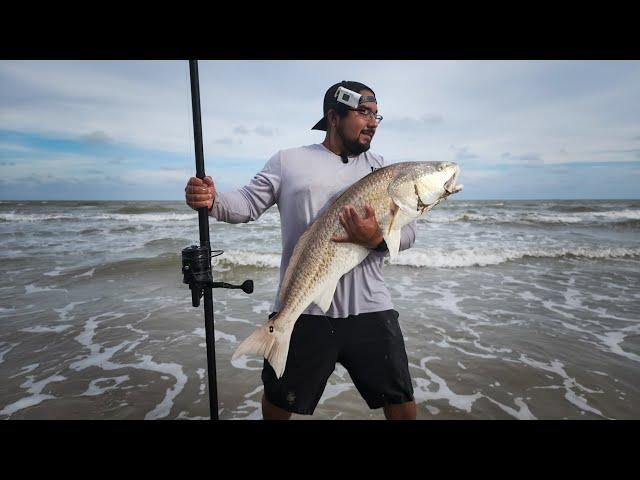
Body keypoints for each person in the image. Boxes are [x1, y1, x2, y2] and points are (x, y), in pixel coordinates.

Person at [185, 81, 417, 420]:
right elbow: (246, 204)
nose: (373, 123)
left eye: (376, 115)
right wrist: (211, 200)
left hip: (371, 307)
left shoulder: (381, 170)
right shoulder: (289, 161)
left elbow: (409, 233)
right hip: (304, 311)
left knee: (401, 400)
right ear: (333, 116)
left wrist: (374, 238)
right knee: (279, 401)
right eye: (363, 113)